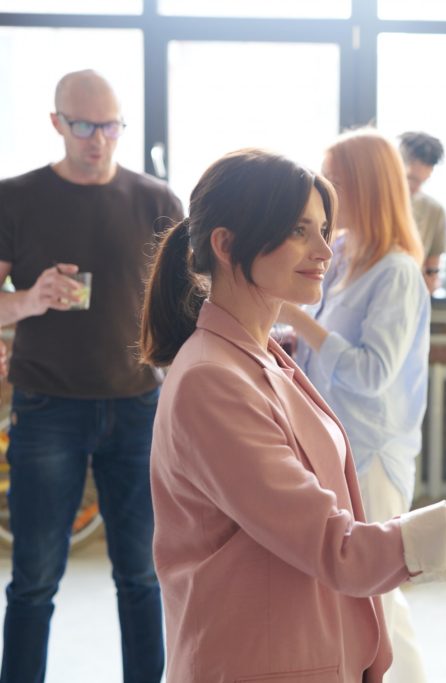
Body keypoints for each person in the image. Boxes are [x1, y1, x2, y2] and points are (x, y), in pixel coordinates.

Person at [139, 147, 446, 682]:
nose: (324, 248)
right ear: (226, 245)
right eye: (300, 231)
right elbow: (344, 552)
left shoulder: (267, 352)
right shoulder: (212, 379)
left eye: (324, 228)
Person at [0, 69, 182, 682]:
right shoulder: (15, 196)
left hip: (138, 407)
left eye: (109, 125)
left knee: (142, 575)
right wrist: (27, 299)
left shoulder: (158, 200)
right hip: (47, 407)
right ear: (56, 123)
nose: (98, 139)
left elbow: (184, 301)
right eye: (83, 126)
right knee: (34, 580)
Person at [280, 128, 430, 683]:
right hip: (335, 440)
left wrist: (299, 322)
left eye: (334, 180)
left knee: (381, 598)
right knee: (355, 595)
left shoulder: (398, 272)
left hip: (375, 452)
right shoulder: (341, 254)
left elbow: (371, 372)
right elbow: (326, 347)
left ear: (363, 187)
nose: (323, 192)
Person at [398, 131, 446, 293]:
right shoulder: (370, 203)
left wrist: (430, 281)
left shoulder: (434, 211)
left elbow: (432, 269)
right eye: (411, 179)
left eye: (423, 181)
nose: (416, 188)